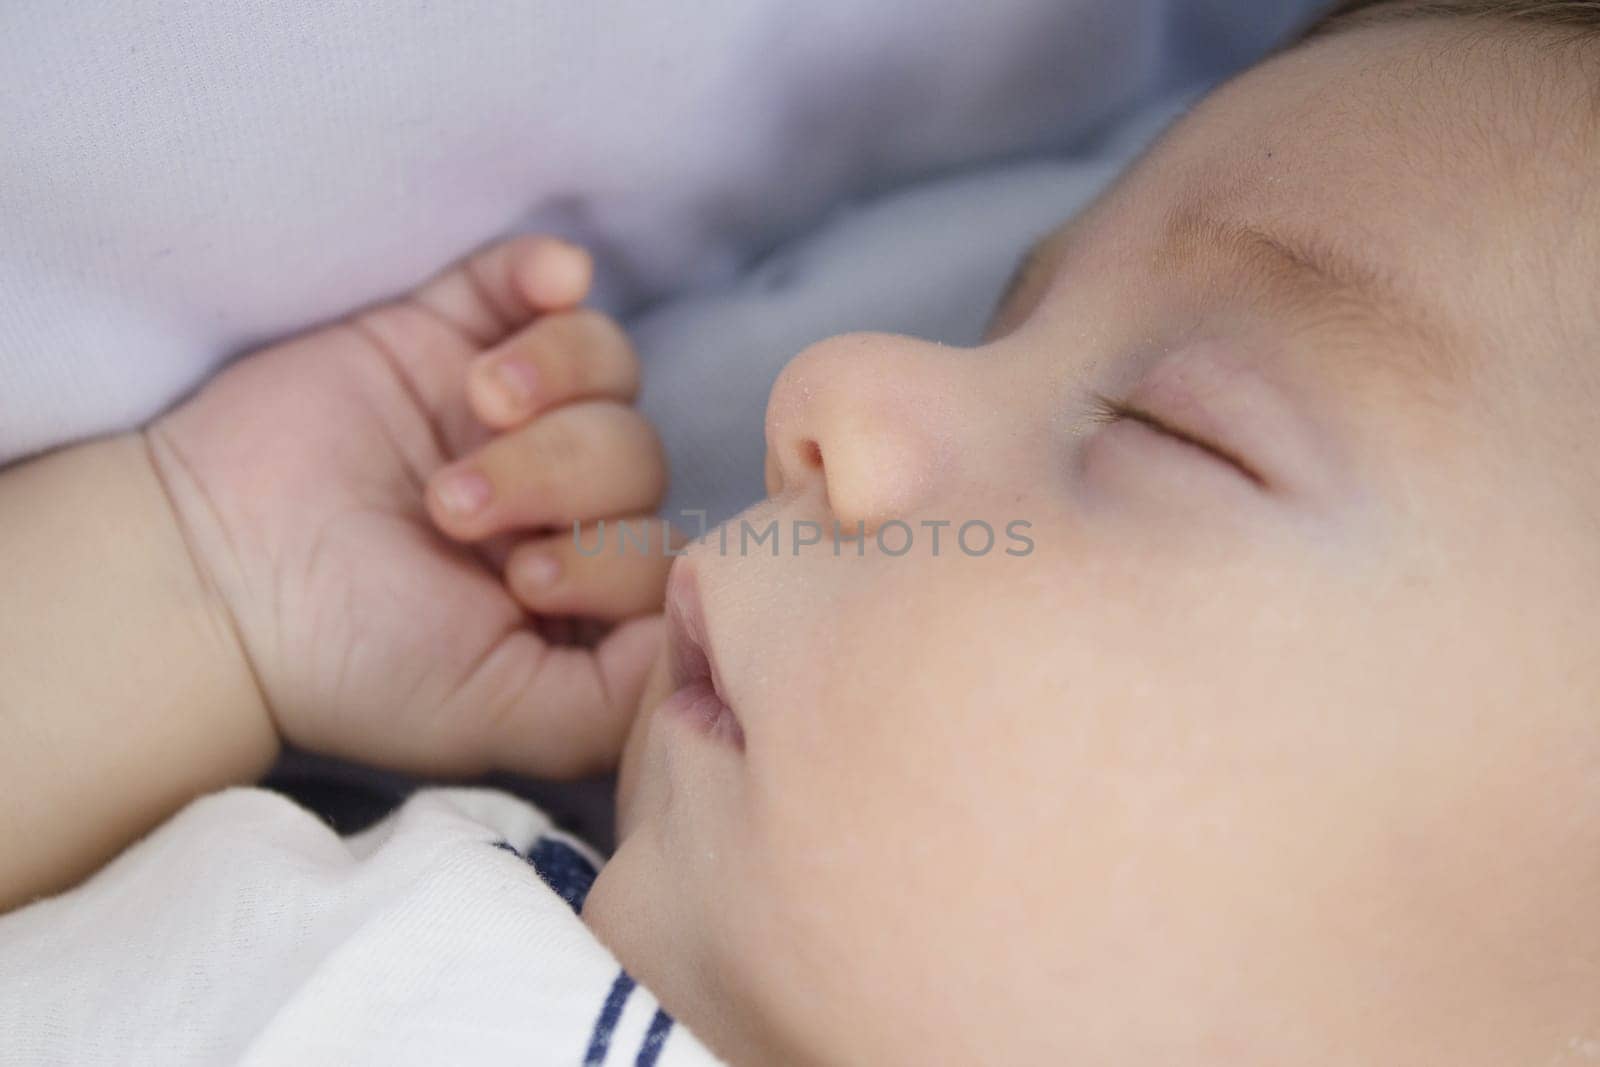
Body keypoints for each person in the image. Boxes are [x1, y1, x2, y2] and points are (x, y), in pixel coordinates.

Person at [5, 1, 1600, 1062]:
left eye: (1174, 432)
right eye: (997, 316)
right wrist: (204, 577)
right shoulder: (452, 898)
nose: (832, 383)